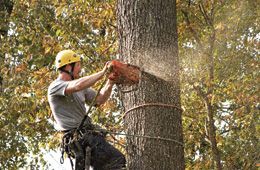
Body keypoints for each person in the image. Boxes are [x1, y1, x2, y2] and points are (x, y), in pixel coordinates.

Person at [47, 50, 126, 170]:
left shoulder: (80, 87)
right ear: (68, 66)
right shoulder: (56, 86)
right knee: (116, 159)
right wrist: (103, 72)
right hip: (79, 138)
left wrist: (110, 82)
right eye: (78, 65)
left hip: (87, 136)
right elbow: (77, 85)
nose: (80, 69)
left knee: (108, 164)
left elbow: (99, 100)